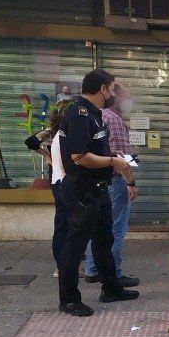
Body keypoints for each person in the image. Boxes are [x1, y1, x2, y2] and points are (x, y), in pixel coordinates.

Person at [56, 69, 139, 316]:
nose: (114, 94)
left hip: (98, 190)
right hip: (83, 190)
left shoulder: (94, 115)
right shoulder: (79, 115)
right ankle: (69, 299)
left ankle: (111, 288)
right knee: (75, 245)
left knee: (105, 241)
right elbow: (79, 157)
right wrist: (113, 162)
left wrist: (111, 159)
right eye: (112, 88)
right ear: (102, 89)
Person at [84, 83, 139, 288]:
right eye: (127, 97)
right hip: (116, 180)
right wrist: (130, 183)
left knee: (98, 227)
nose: (129, 102)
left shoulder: (96, 115)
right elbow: (123, 159)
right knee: (116, 229)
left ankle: (92, 269)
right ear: (113, 95)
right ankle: (114, 273)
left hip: (98, 180)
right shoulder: (114, 120)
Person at [25, 99, 70, 273]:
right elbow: (30, 141)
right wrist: (47, 155)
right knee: (63, 222)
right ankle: (61, 265)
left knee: (66, 222)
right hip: (59, 179)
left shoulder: (60, 131)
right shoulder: (53, 132)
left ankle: (67, 261)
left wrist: (47, 154)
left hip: (60, 178)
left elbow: (30, 142)